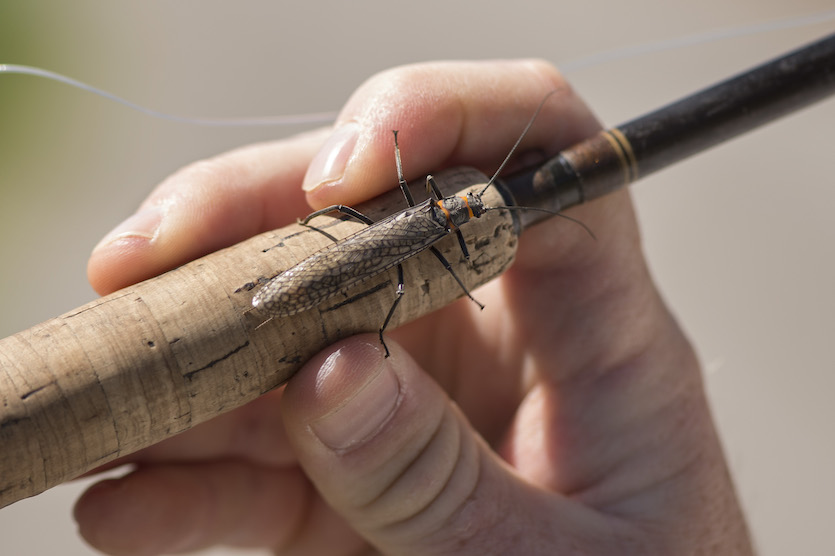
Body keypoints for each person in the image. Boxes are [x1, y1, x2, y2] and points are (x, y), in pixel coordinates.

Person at [75, 60, 753, 555]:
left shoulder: (437, 212)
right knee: (385, 276)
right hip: (328, 268)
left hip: (335, 264)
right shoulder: (441, 223)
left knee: (377, 269)